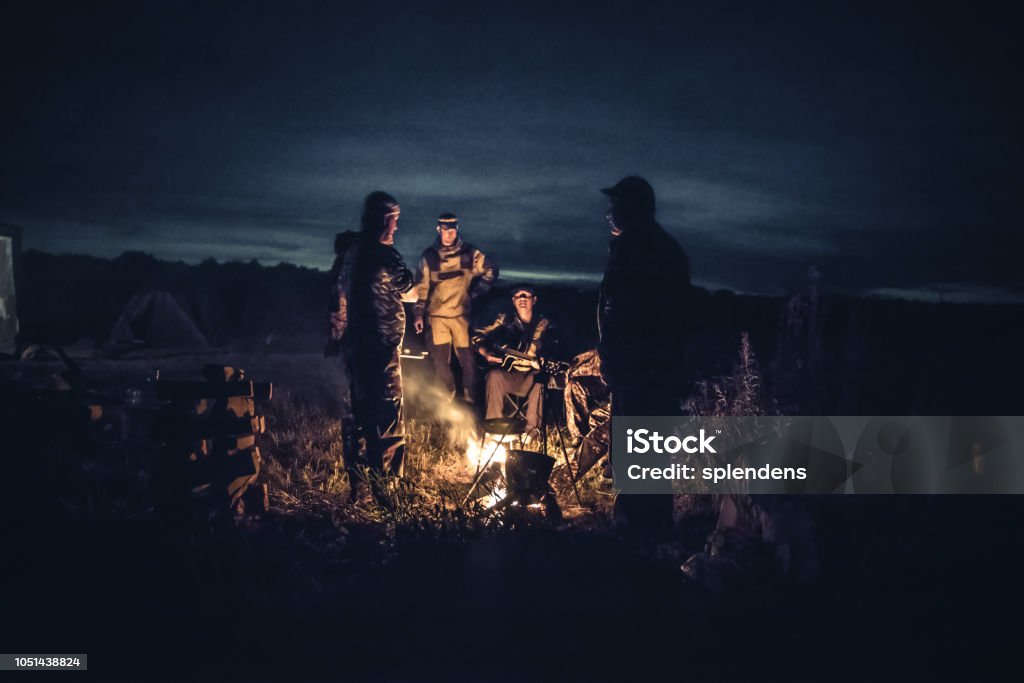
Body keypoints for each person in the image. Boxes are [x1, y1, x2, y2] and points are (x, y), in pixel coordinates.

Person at [598, 176, 691, 534]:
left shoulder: (637, 249)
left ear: (632, 208)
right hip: (657, 368)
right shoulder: (665, 248)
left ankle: (637, 536)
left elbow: (622, 311)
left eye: (615, 204)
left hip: (639, 369)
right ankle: (650, 531)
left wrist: (613, 358)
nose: (608, 213)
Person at [326, 191, 417, 501]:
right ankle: (388, 492)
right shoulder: (385, 255)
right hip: (380, 346)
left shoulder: (348, 254)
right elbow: (410, 289)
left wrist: (336, 335)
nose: (396, 228)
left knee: (357, 416)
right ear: (384, 220)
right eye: (394, 221)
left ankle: (359, 489)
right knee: (388, 413)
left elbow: (336, 295)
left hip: (352, 348)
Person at [413, 212, 498, 403]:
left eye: (453, 230)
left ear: (457, 229)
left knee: (468, 362)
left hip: (461, 317)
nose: (449, 234)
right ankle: (446, 403)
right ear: (439, 229)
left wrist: (475, 292)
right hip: (437, 318)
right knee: (441, 362)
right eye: (446, 230)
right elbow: (422, 287)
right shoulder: (430, 256)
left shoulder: (469, 254)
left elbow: (491, 269)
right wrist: (418, 314)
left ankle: (471, 402)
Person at [473, 284, 556, 439]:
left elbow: (556, 345)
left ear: (534, 300)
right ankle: (493, 429)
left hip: (532, 376)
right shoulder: (504, 320)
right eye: (518, 296)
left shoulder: (545, 324)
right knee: (494, 376)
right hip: (511, 374)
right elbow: (477, 337)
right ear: (513, 300)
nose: (522, 298)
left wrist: (545, 359)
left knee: (540, 378)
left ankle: (531, 433)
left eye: (526, 295)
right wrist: (486, 353)